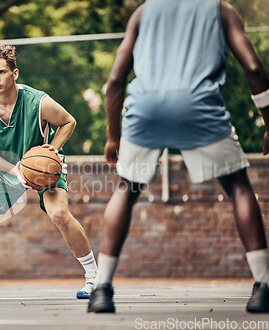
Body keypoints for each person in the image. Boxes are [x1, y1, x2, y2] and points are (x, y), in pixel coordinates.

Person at [88, 0, 269, 313]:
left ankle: (102, 288)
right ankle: (264, 285)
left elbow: (116, 80)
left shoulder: (144, 12)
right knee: (238, 185)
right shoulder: (221, 11)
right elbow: (253, 68)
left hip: (146, 110)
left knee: (127, 189)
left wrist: (113, 136)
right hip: (197, 108)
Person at [0, 45, 98, 300]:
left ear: (15, 73)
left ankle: (94, 279)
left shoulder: (38, 101)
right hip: (4, 169)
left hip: (42, 167)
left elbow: (69, 121)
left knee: (60, 215)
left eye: (1, 72)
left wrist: (51, 151)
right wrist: (15, 169)